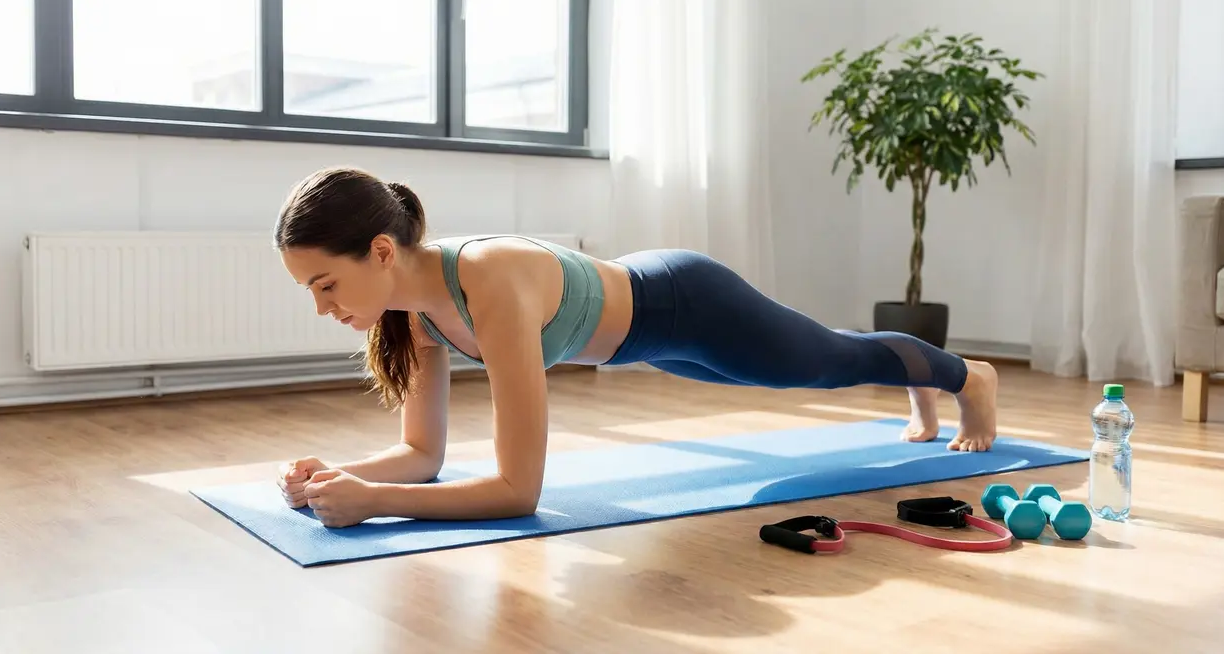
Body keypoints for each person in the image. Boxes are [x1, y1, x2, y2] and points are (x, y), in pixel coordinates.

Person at [272, 166, 999, 528]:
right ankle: (924, 384)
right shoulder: (411, 313)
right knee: (830, 354)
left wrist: (374, 504)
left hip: (687, 304)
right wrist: (342, 477)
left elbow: (518, 492)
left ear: (379, 251)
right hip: (644, 342)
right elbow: (423, 458)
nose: (320, 307)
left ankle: (967, 378)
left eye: (326, 284)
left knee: (828, 362)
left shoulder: (486, 283)